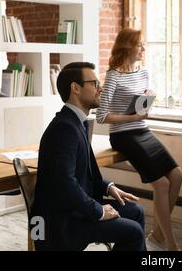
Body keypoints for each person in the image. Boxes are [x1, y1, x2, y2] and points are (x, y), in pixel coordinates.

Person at [32, 62, 146, 251]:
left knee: (136, 212)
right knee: (133, 232)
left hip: (75, 209)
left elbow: (84, 174)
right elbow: (64, 184)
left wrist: (109, 188)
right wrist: (99, 211)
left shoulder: (77, 122)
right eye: (94, 83)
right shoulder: (64, 128)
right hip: (63, 221)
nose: (100, 88)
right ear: (75, 88)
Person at [96, 28, 182, 251]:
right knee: (162, 184)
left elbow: (142, 105)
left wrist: (147, 99)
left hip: (142, 130)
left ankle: (157, 235)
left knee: (177, 175)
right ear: (127, 47)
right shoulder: (113, 75)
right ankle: (170, 243)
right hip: (123, 134)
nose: (143, 48)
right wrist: (133, 116)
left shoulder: (143, 72)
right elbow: (102, 115)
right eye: (139, 45)